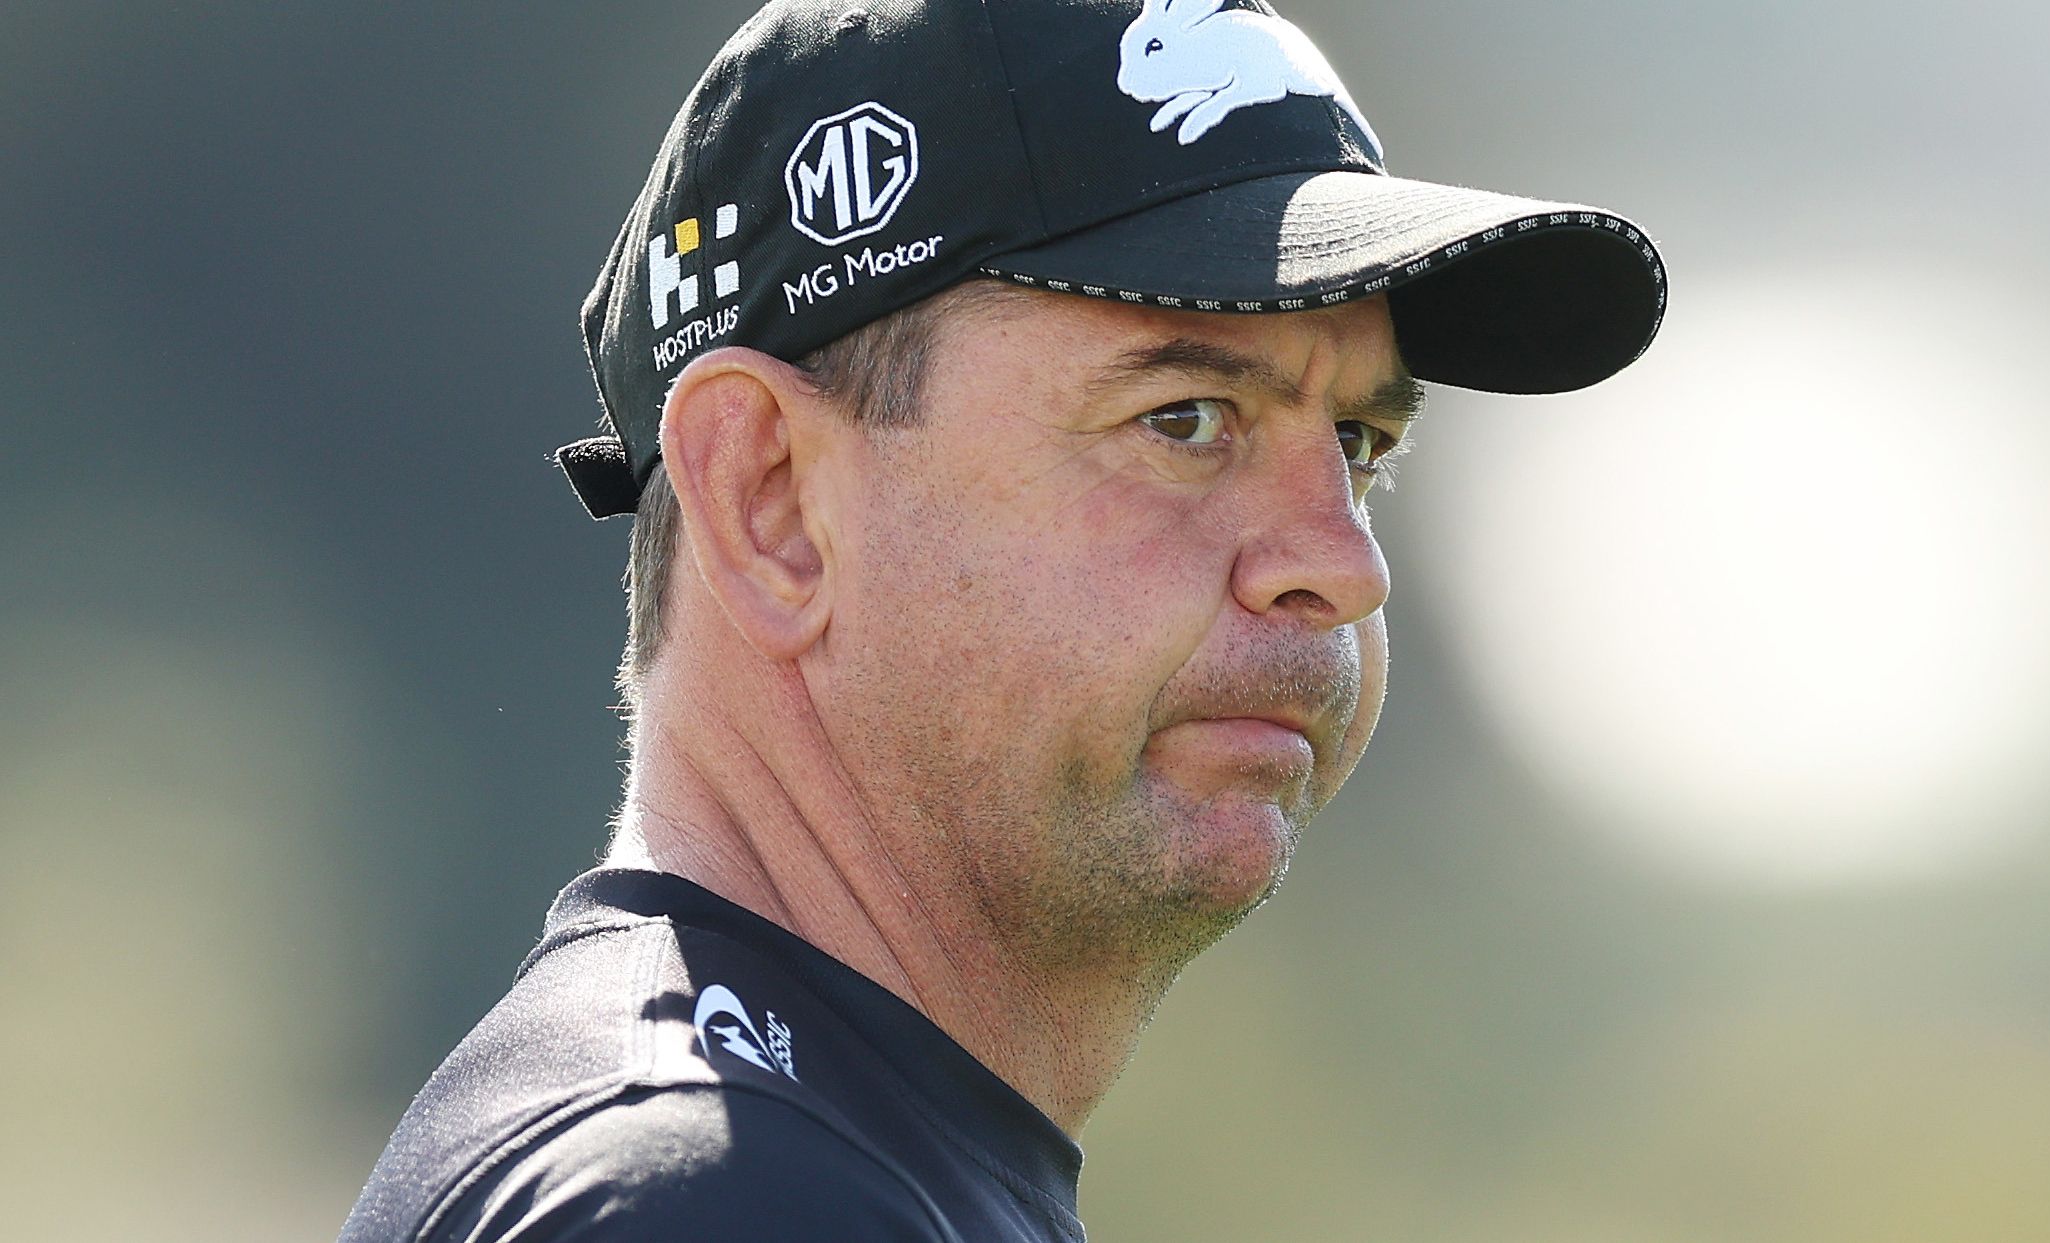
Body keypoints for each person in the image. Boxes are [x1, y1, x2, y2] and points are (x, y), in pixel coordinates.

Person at [339, 0, 1665, 1238]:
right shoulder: (719, 1196)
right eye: (1186, 421)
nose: (1341, 562)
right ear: (773, 504)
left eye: (1362, 444)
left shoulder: (789, 1156)